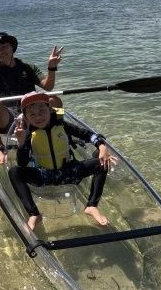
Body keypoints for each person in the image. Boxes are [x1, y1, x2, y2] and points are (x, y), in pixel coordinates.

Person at [8, 92, 118, 231]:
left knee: (102, 162)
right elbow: (22, 163)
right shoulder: (27, 133)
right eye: (32, 114)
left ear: (49, 109)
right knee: (14, 172)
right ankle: (34, 214)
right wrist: (22, 142)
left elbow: (87, 134)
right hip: (44, 175)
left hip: (69, 172)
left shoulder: (62, 125)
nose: (38, 117)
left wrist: (102, 147)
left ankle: (91, 206)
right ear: (26, 118)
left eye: (42, 111)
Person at [0, 32, 64, 166]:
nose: (1, 51)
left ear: (12, 47)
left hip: (31, 112)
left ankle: (58, 132)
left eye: (4, 46)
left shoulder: (27, 68)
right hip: (9, 119)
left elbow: (48, 86)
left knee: (54, 100)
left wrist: (51, 67)